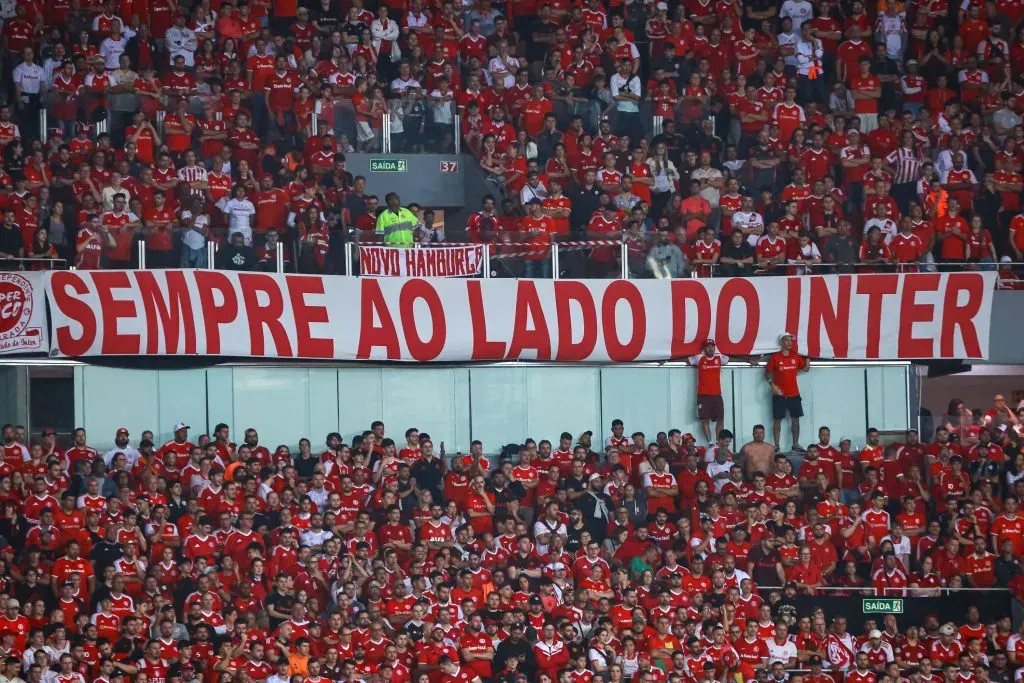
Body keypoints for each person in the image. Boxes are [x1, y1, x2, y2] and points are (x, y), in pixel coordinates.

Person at [766, 332, 810, 453]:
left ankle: (795, 444)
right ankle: (776, 445)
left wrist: (808, 358)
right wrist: (772, 384)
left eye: (791, 340)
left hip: (794, 394)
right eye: (787, 340)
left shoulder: (796, 357)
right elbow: (768, 372)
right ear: (781, 342)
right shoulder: (775, 357)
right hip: (779, 394)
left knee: (795, 420)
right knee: (777, 420)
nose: (789, 343)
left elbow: (805, 369)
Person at [689, 339, 729, 445]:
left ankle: (718, 442)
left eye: (712, 346)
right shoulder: (699, 358)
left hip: (717, 395)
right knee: (705, 420)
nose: (710, 348)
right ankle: (711, 443)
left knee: (720, 420)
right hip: (703, 395)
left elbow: (733, 357)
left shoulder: (719, 358)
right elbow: (686, 360)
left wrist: (749, 360)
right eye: (707, 346)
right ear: (704, 348)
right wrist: (665, 361)